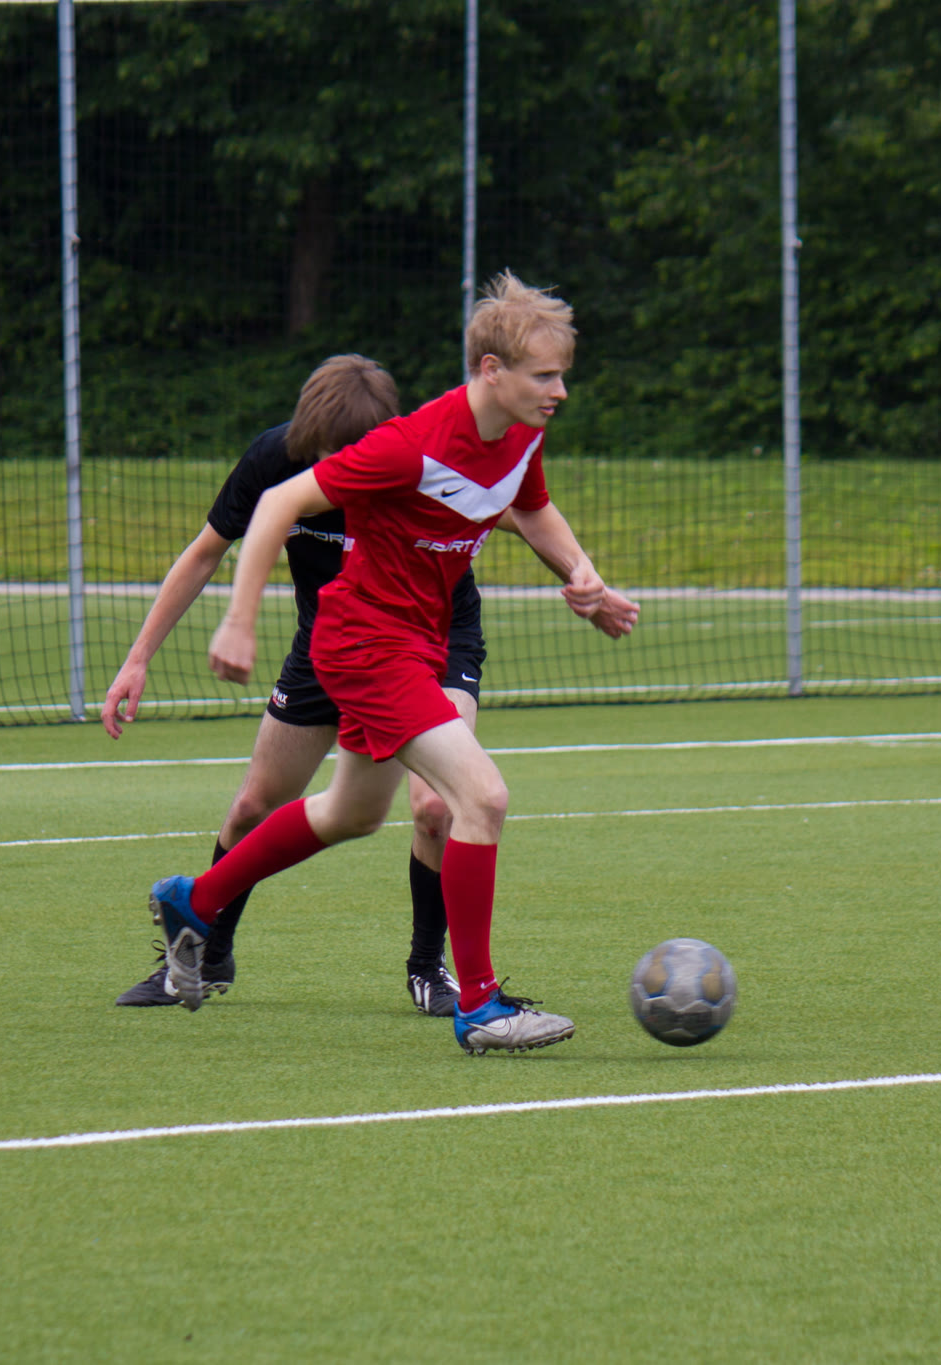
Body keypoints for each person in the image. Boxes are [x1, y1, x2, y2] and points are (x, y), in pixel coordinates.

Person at [146, 272, 637, 1054]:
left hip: (420, 640)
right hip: (365, 645)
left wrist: (586, 577)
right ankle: (479, 1005)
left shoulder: (520, 434)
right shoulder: (410, 444)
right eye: (545, 376)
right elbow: (277, 504)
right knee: (482, 795)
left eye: (561, 375)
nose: (561, 391)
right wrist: (238, 621)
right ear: (491, 370)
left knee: (353, 814)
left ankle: (194, 899)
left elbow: (531, 506)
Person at [102, 354, 532, 1017]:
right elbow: (206, 551)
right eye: (333, 456)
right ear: (308, 437)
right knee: (256, 804)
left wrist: (578, 572)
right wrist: (138, 659)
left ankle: (430, 969)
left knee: (437, 805)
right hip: (331, 642)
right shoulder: (274, 459)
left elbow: (513, 507)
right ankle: (205, 950)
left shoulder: (417, 456)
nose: (346, 471)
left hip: (433, 637)